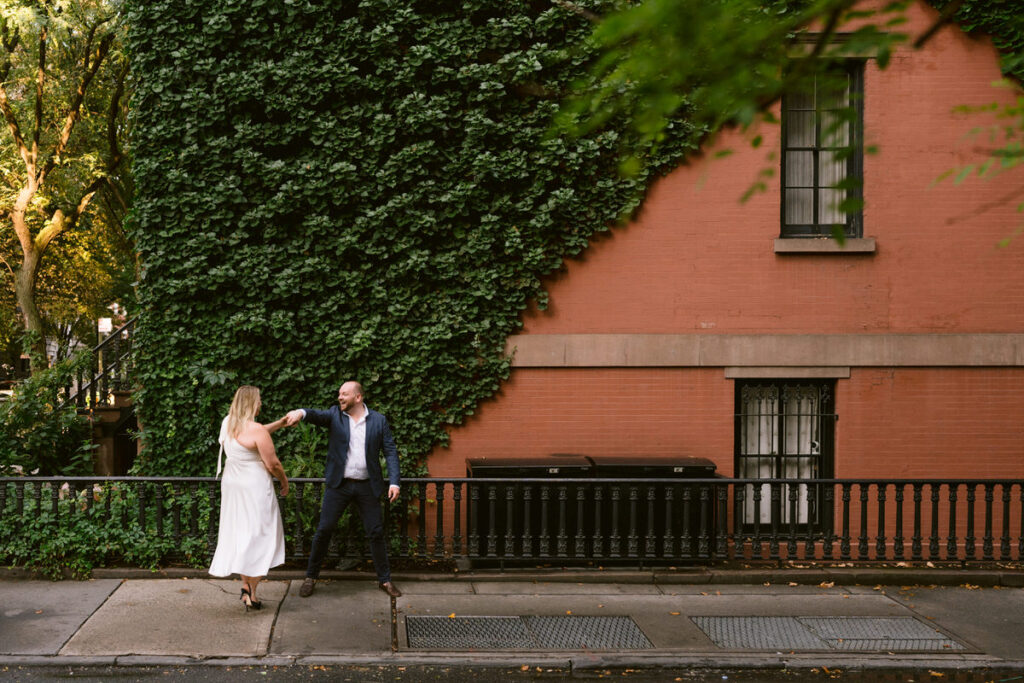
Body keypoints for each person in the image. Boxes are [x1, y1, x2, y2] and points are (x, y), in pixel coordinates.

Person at [283, 381, 402, 598]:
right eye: (339, 393)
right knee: (324, 530)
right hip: (340, 485)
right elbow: (315, 415)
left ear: (358, 397)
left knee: (375, 532)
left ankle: (384, 581)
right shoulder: (334, 416)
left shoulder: (378, 420)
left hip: (367, 486)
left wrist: (394, 482)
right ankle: (310, 577)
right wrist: (300, 413)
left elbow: (390, 451)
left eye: (344, 394)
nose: (340, 397)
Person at [209, 385, 290, 611]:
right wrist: (284, 481)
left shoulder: (228, 423)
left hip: (233, 483)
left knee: (242, 531)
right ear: (251, 403)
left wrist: (280, 424)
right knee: (261, 534)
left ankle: (248, 588)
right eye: (259, 400)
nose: (261, 403)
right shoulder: (256, 430)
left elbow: (256, 431)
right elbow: (272, 464)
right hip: (254, 485)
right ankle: (251, 590)